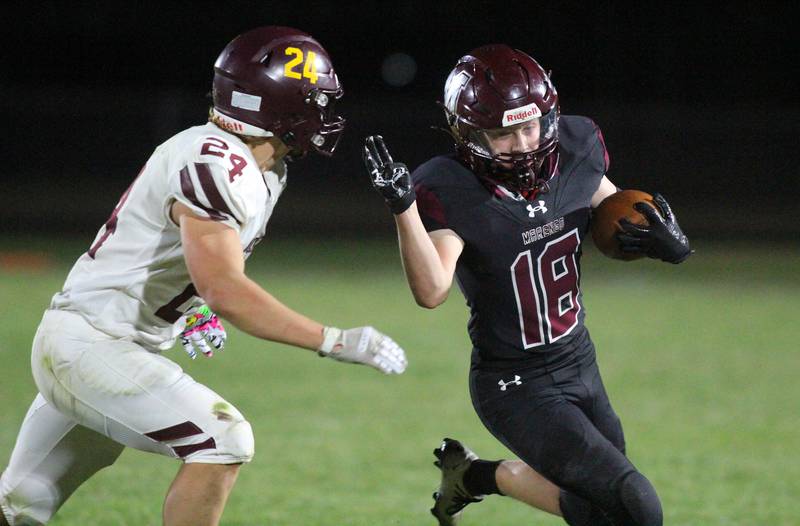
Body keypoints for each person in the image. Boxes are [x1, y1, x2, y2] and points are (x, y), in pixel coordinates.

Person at [0, 26, 407, 526]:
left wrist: (188, 305)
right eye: (316, 102)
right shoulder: (219, 162)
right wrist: (334, 340)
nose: (325, 115)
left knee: (23, 502)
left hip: (104, 340)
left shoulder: (257, 163)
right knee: (223, 440)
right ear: (281, 105)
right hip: (92, 344)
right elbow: (224, 287)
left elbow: (177, 261)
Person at [364, 44, 691, 526]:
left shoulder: (577, 149)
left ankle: (473, 477)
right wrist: (403, 208)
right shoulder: (452, 188)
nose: (521, 143)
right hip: (514, 383)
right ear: (468, 133)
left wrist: (663, 238)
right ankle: (474, 477)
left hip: (579, 358)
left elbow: (610, 213)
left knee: (600, 512)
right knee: (638, 505)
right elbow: (431, 291)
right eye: (502, 133)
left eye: (529, 126)